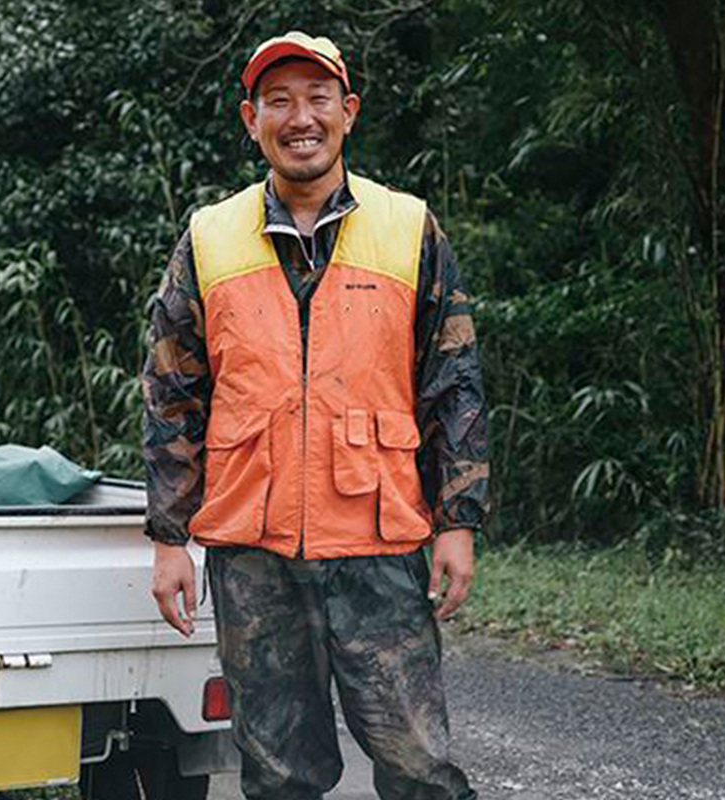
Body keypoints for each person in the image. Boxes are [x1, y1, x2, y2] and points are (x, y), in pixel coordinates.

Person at [141, 31, 487, 800]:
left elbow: (453, 382)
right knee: (277, 775)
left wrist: (457, 520)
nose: (301, 118)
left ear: (348, 112)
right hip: (253, 556)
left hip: (378, 545)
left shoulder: (408, 229)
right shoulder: (209, 237)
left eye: (318, 98)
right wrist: (170, 539)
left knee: (419, 767)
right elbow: (172, 393)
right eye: (279, 101)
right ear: (251, 118)